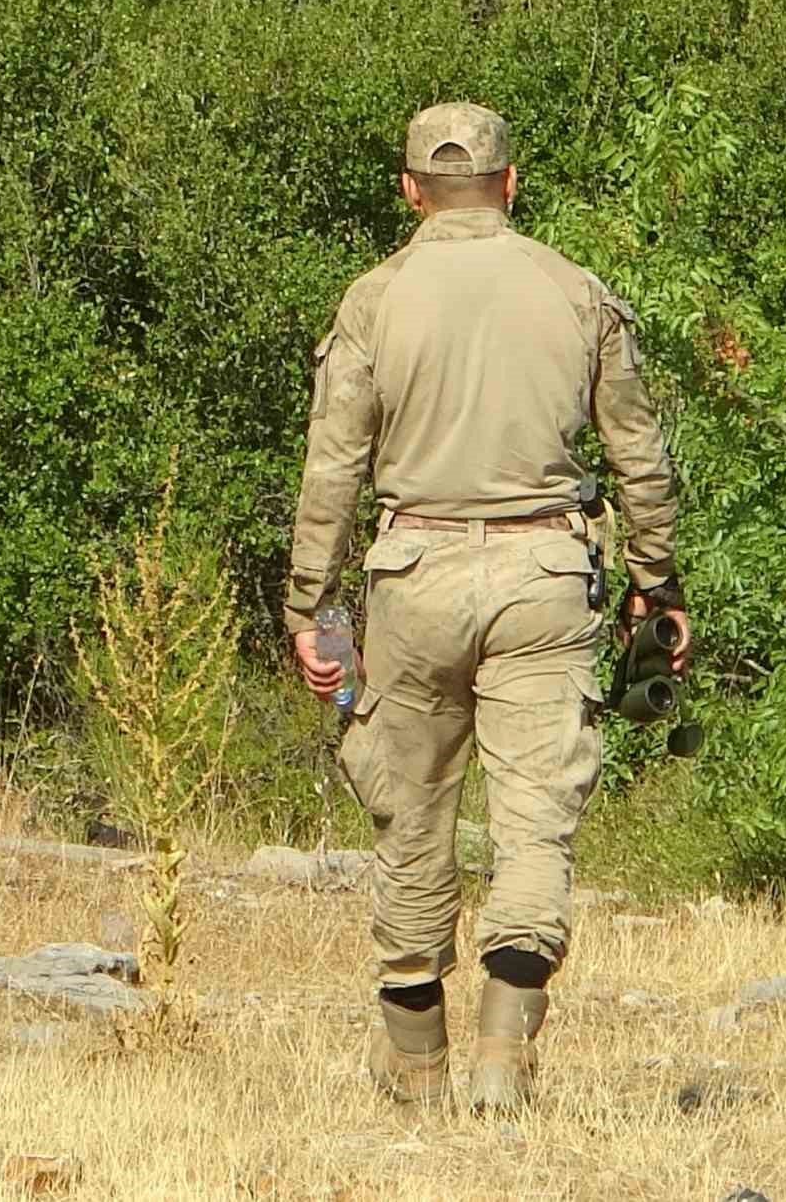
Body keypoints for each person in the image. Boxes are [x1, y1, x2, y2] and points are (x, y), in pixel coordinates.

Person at [286, 102, 687, 1113]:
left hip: (413, 571)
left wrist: (310, 602)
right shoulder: (574, 290)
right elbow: (636, 453)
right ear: (511, 185)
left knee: (409, 815)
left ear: (409, 189)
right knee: (534, 821)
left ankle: (417, 1074)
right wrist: (658, 579)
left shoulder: (374, 299)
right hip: (542, 576)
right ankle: (502, 1065)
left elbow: (331, 465)